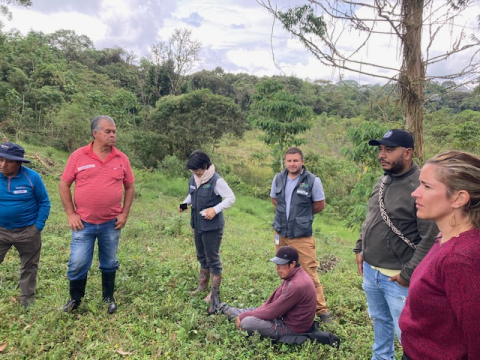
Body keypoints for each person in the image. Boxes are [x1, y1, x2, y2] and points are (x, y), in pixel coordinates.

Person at [353, 129, 438, 360]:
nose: (382, 155)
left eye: (389, 150)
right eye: (381, 149)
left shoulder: (419, 187)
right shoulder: (382, 180)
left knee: (407, 333)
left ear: (408, 152)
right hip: (371, 272)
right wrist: (360, 248)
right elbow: (371, 216)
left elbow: (430, 238)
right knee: (380, 321)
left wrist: (407, 275)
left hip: (398, 278)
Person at [399, 151, 480, 360]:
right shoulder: (445, 236)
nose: (415, 193)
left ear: (459, 198)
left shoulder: (460, 258)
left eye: (426, 186)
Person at [59, 115, 135, 314]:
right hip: (83, 223)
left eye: (114, 132)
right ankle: (75, 300)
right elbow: (64, 184)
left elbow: (130, 186)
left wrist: (125, 213)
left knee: (109, 262)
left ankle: (108, 297)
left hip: (111, 223)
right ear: (95, 134)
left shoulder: (121, 158)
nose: (112, 135)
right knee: (77, 262)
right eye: (107, 131)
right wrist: (70, 213)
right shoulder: (78, 156)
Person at [270, 147, 330, 322]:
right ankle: (287, 303)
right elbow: (275, 200)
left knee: (308, 272)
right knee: (283, 269)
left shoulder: (312, 181)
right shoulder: (278, 178)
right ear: (285, 162)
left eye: (295, 160)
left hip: (301, 235)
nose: (292, 164)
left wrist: (302, 217)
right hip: (281, 232)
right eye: (289, 160)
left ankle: (322, 310)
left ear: (302, 161)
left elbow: (319, 205)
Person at [215, 246, 316, 340]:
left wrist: (243, 316)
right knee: (253, 311)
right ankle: (221, 308)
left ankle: (224, 310)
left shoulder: (297, 285)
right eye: (276, 264)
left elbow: (273, 312)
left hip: (289, 328)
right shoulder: (292, 275)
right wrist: (257, 311)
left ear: (292, 264)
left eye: (281, 264)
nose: (277, 267)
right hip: (280, 318)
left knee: (247, 322)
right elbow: (273, 302)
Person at [179, 150, 235, 314]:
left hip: (212, 227)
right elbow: (192, 195)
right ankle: (202, 287)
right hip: (198, 224)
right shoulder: (194, 178)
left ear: (205, 166)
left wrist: (215, 209)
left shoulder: (216, 181)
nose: (195, 173)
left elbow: (231, 198)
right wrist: (184, 204)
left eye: (198, 170)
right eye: (192, 170)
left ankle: (214, 294)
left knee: (213, 258)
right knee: (201, 256)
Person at [0, 142, 51, 309]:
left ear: (19, 162)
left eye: (9, 161)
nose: (3, 165)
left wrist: (37, 227)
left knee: (29, 267)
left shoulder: (32, 177)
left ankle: (26, 303)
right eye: (0, 160)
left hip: (28, 231)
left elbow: (44, 202)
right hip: (1, 230)